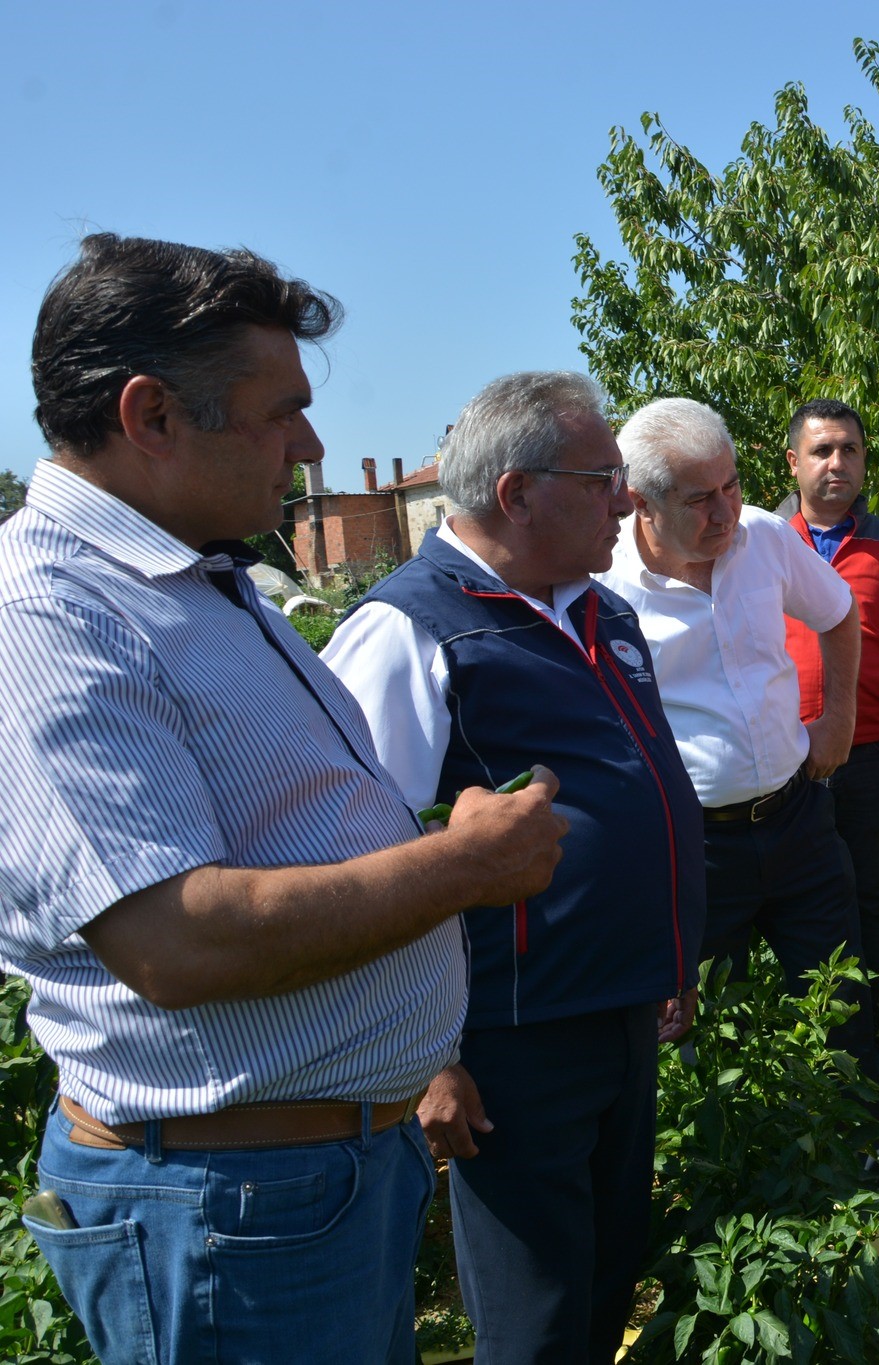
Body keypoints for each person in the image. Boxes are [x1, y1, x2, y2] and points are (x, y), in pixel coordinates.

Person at [1, 233, 567, 1365]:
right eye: (281, 412)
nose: (311, 446)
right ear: (152, 415)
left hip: (303, 1179)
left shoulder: (194, 576)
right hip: (225, 1202)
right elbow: (175, 941)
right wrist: (462, 866)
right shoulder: (50, 612)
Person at [324, 371, 706, 1365]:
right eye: (603, 478)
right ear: (517, 494)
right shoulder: (410, 629)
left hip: (617, 1010)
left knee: (602, 1282)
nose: (626, 499)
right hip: (510, 1039)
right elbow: (357, 855)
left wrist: (667, 961)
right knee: (533, 1316)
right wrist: (430, 1057)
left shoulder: (599, 613)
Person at [598, 396, 879, 1079]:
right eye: (701, 499)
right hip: (692, 848)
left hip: (798, 818)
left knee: (839, 997)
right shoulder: (602, 585)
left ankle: (858, 1145)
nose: (725, 512)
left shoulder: (765, 537)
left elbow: (839, 614)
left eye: (732, 485)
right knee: (694, 1024)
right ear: (640, 501)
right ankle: (726, 1166)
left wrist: (838, 717)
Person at [783, 400, 879, 1005]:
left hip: (867, 755)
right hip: (778, 757)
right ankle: (798, 1049)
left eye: (850, 449)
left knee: (866, 891)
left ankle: (867, 1043)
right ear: (794, 462)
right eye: (822, 450)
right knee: (783, 898)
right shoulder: (758, 541)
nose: (837, 462)